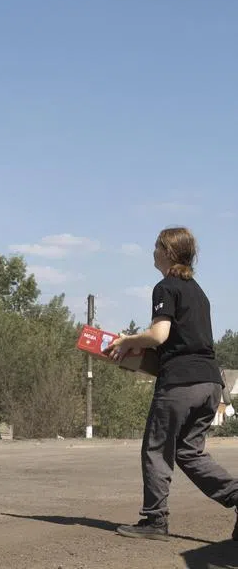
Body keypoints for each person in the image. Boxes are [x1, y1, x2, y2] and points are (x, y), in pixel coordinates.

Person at [107, 226, 238, 541]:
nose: (153, 251)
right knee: (190, 452)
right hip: (210, 383)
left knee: (156, 449)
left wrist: (126, 340)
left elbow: (159, 335)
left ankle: (155, 520)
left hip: (180, 384)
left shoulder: (165, 287)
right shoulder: (199, 292)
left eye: (156, 246)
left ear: (167, 251)